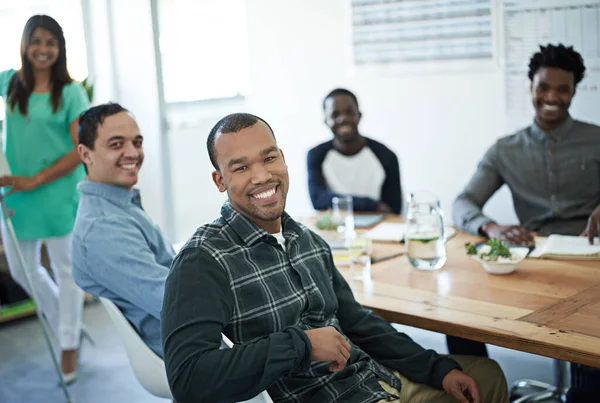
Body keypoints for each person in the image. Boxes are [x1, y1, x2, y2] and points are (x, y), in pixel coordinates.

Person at [161, 112, 509, 403]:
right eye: (240, 168)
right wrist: (300, 345)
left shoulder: (308, 240)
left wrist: (437, 369)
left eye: (269, 158)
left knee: (486, 376)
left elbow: (358, 323)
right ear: (219, 180)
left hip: (375, 380)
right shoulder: (202, 260)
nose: (262, 176)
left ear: (282, 158)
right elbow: (189, 380)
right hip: (327, 396)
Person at [453, 44, 600, 402]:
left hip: (590, 263)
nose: (552, 97)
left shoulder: (597, 140)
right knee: (459, 312)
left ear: (574, 91)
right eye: (543, 87)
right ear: (531, 87)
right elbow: (462, 203)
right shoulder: (506, 149)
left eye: (562, 89)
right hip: (532, 266)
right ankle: (481, 389)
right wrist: (492, 227)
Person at [0, 15, 89, 382]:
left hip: (57, 191)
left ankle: (68, 344)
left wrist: (35, 178)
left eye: (51, 42)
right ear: (24, 44)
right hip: (16, 193)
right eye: (36, 41)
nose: (43, 49)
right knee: (23, 268)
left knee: (66, 271)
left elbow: (77, 149)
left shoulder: (71, 92)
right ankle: (66, 323)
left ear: (60, 48)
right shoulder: (11, 82)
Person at [71, 103, 175, 358]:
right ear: (86, 155)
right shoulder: (103, 228)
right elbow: (176, 305)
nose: (133, 153)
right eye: (116, 144)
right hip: (198, 352)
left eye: (137, 143)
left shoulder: (118, 205)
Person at [307, 88, 402, 214]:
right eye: (335, 115)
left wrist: (338, 202)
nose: (343, 119)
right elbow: (318, 200)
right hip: (334, 229)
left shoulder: (386, 156)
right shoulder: (316, 155)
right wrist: (370, 204)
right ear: (326, 121)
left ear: (359, 115)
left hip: (378, 228)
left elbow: (394, 208)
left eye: (349, 112)